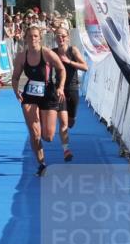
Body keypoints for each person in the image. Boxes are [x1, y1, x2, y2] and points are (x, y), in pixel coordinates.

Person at [11, 25, 66, 176]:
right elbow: (15, 77)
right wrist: (16, 90)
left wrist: (60, 87)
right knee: (35, 134)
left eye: (35, 36)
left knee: (47, 136)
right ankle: (42, 164)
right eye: (30, 36)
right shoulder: (22, 56)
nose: (33, 39)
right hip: (30, 94)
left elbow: (61, 69)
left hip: (48, 93)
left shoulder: (47, 53)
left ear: (40, 38)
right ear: (26, 39)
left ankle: (43, 122)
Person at [53, 27, 88, 161]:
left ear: (67, 37)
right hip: (59, 90)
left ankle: (72, 118)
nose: (60, 38)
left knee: (70, 122)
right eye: (58, 36)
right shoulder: (53, 52)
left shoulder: (72, 50)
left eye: (62, 36)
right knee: (63, 123)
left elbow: (85, 67)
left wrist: (69, 62)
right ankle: (66, 150)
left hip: (73, 88)